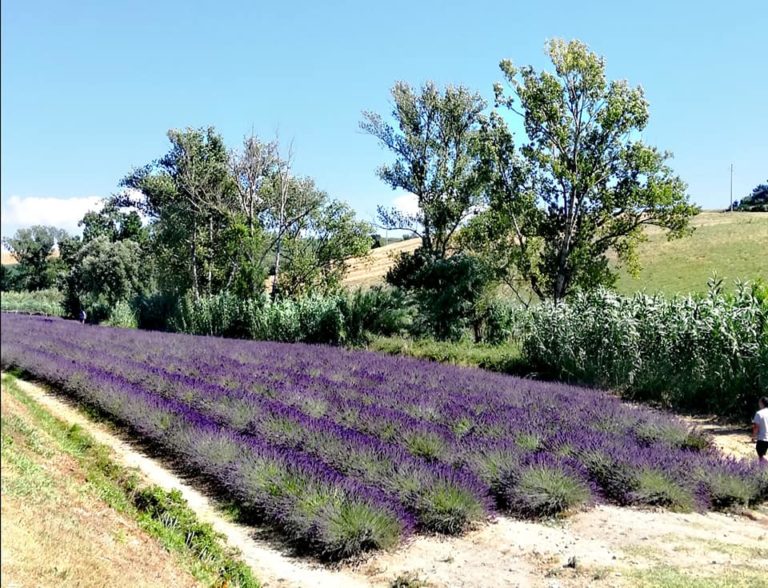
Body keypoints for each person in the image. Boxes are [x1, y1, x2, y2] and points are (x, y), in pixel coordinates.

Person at [752, 396, 768, 463]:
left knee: (761, 455)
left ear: (762, 403)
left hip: (763, 437)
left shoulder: (759, 413)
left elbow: (756, 427)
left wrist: (753, 436)